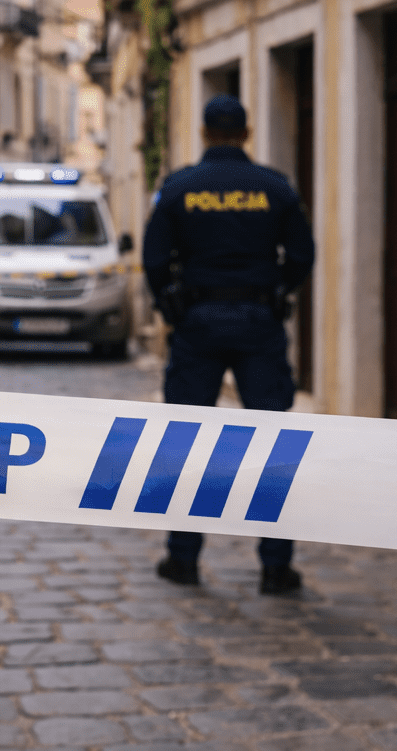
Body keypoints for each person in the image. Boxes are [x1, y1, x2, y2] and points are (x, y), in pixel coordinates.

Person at [142, 94, 316, 595]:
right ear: (246, 132)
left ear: (203, 133)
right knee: (271, 446)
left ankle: (183, 558)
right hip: (259, 321)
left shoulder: (178, 188)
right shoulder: (274, 187)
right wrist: (280, 291)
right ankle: (275, 567)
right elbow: (303, 253)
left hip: (198, 323)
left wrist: (170, 306)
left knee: (186, 441)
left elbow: (155, 260)